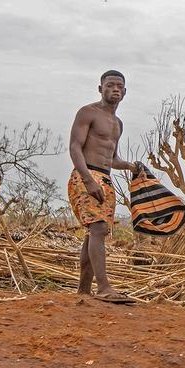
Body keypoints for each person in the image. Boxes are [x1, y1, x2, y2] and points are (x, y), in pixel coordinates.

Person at [68, 70, 143, 304]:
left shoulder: (117, 123)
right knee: (98, 229)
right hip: (86, 175)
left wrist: (131, 166)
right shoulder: (88, 112)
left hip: (105, 177)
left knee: (94, 233)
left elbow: (112, 158)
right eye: (110, 85)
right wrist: (88, 180)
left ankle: (83, 290)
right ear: (100, 89)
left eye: (120, 86)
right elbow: (74, 147)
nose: (115, 89)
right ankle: (104, 287)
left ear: (125, 92)